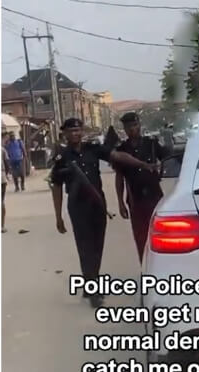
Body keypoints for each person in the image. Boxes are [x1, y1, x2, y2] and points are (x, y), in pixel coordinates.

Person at [49, 117, 157, 308]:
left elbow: (118, 157)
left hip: (97, 205)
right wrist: (58, 217)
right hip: (78, 207)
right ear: (65, 134)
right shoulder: (61, 158)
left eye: (78, 130)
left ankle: (91, 280)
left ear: (82, 132)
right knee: (85, 248)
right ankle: (93, 290)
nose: (75, 134)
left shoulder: (93, 149)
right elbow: (56, 187)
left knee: (97, 247)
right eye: (71, 131)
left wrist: (142, 164)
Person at [115, 112, 169, 263]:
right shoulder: (122, 149)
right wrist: (120, 202)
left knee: (159, 235)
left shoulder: (151, 143)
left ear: (139, 125)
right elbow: (119, 177)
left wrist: (162, 168)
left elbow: (167, 157)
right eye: (129, 127)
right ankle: (145, 267)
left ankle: (160, 266)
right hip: (135, 198)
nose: (132, 129)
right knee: (140, 237)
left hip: (154, 196)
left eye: (135, 125)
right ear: (124, 129)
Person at [1, 132, 10, 233]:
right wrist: (7, 174)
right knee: (1, 201)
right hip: (1, 178)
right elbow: (7, 164)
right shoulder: (2, 150)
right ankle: (2, 226)